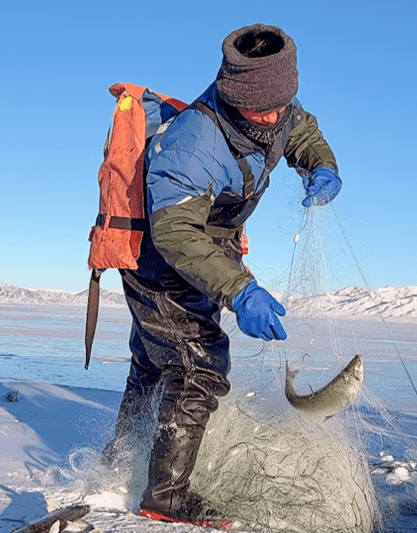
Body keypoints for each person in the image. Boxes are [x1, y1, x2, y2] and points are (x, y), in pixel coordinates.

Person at [103, 23, 342, 526]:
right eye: (261, 111)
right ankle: (165, 496)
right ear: (235, 97)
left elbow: (301, 130)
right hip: (158, 261)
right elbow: (174, 233)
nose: (273, 118)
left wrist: (320, 165)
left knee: (152, 363)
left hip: (207, 252)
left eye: (281, 106)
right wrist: (240, 290)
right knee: (199, 369)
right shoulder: (195, 140)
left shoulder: (279, 109)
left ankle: (118, 462)